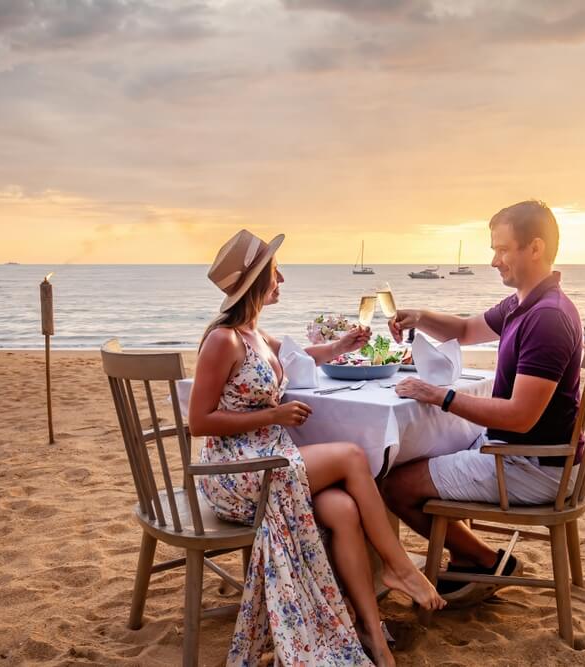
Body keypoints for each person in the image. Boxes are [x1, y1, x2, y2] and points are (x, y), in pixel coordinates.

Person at [189, 229, 444, 667]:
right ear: (254, 281)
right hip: (236, 473)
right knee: (351, 456)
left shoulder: (253, 333)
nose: (281, 278)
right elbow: (199, 421)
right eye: (274, 272)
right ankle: (398, 565)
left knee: (344, 509)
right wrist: (272, 416)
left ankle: (371, 633)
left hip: (270, 461)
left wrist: (341, 346)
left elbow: (302, 356)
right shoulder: (223, 339)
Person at [382, 200, 584, 600]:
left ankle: (488, 561)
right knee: (411, 453)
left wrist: (439, 395)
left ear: (536, 248)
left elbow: (520, 417)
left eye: (503, 249)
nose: (494, 260)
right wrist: (418, 316)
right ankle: (465, 560)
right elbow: (466, 330)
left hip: (536, 465)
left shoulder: (546, 318)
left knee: (395, 485)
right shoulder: (524, 304)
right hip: (528, 453)